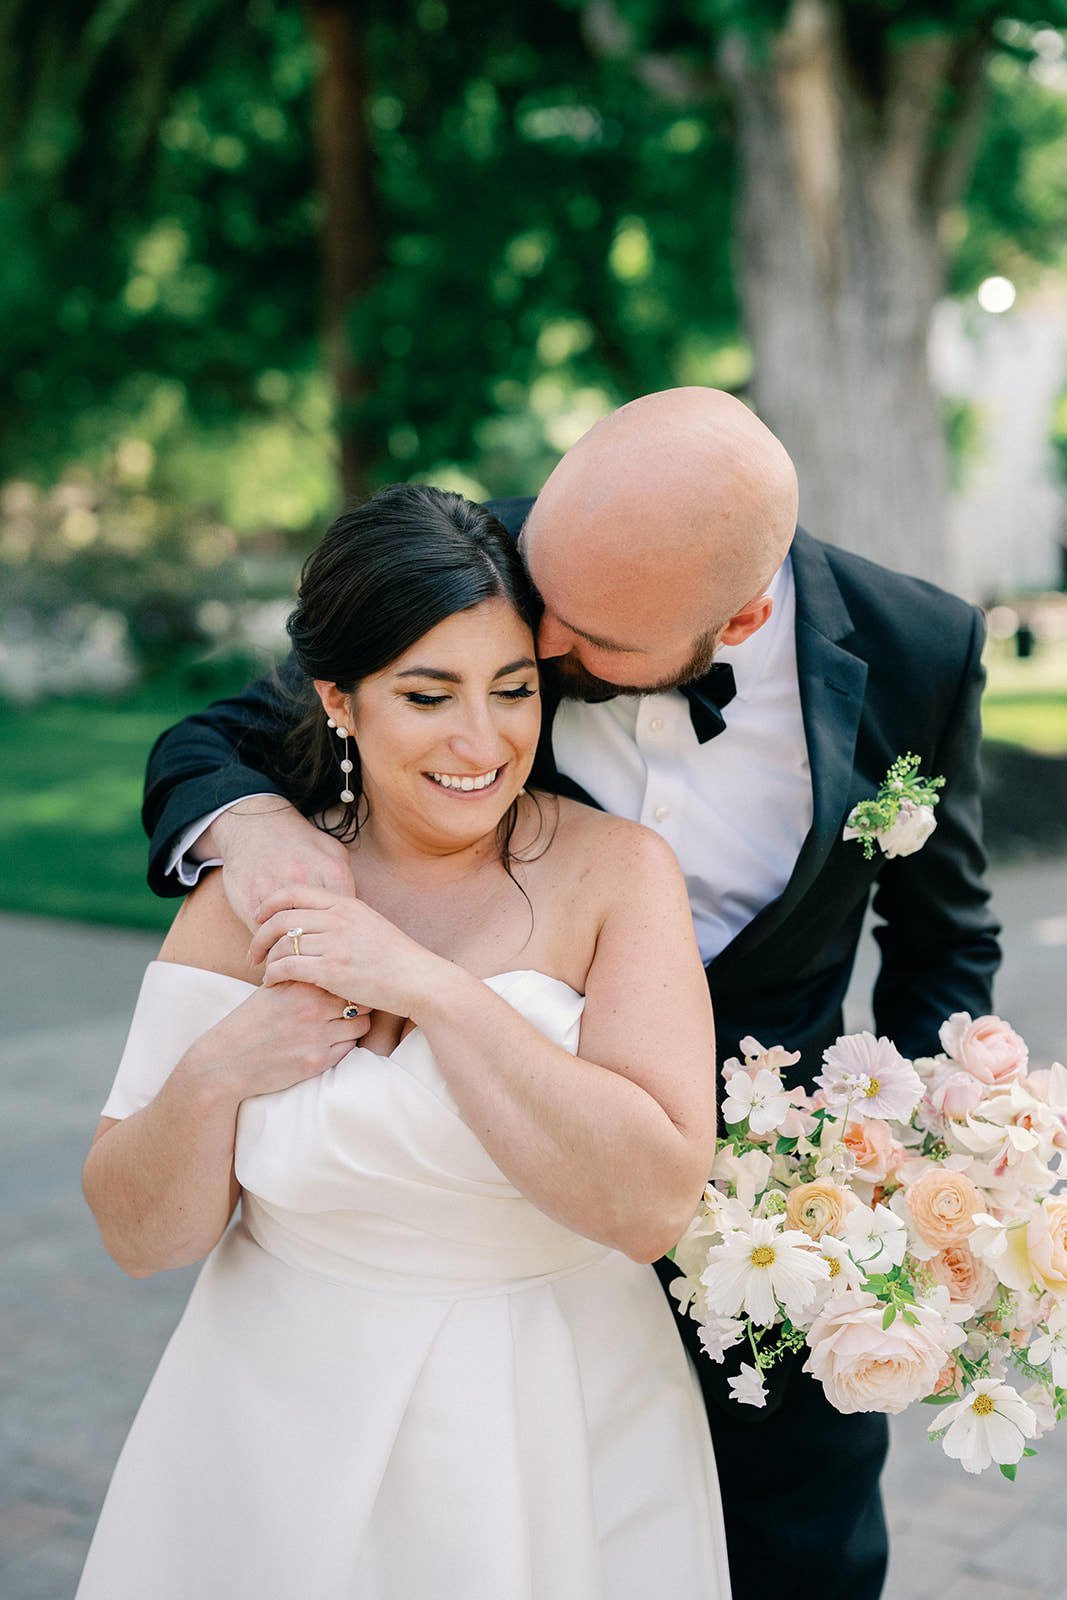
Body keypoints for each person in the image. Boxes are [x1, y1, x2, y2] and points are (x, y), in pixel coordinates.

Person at [141, 388, 1002, 1600]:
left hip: (771, 1214)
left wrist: (897, 1169)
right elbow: (218, 738)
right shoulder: (490, 571)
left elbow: (943, 941)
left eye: (585, 640)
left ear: (740, 614)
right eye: (543, 606)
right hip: (496, 1188)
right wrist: (256, 826)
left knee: (802, 1549)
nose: (539, 650)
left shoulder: (916, 645)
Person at [78, 484, 730, 1599]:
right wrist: (221, 1068)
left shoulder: (617, 874)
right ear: (340, 699)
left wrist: (422, 985)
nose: (481, 740)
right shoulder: (257, 892)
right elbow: (142, 1236)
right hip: (275, 1421)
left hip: (559, 1415)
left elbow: (651, 1202)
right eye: (428, 695)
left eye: (513, 689)